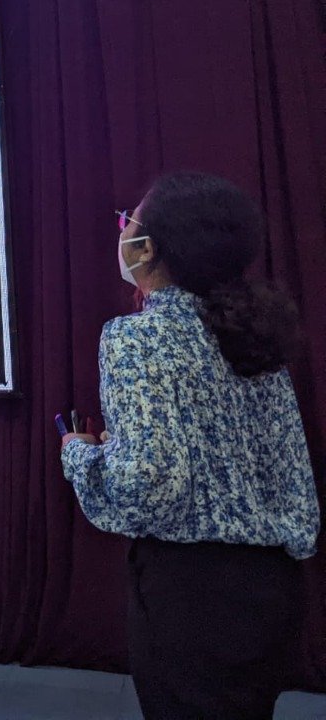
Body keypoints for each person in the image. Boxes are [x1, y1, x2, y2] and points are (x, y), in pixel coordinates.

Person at [61, 172, 319, 720]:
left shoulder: (136, 337)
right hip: (273, 587)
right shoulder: (254, 333)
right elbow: (289, 470)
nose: (121, 230)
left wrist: (80, 455)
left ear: (147, 247)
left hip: (192, 595)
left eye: (127, 221)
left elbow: (146, 488)